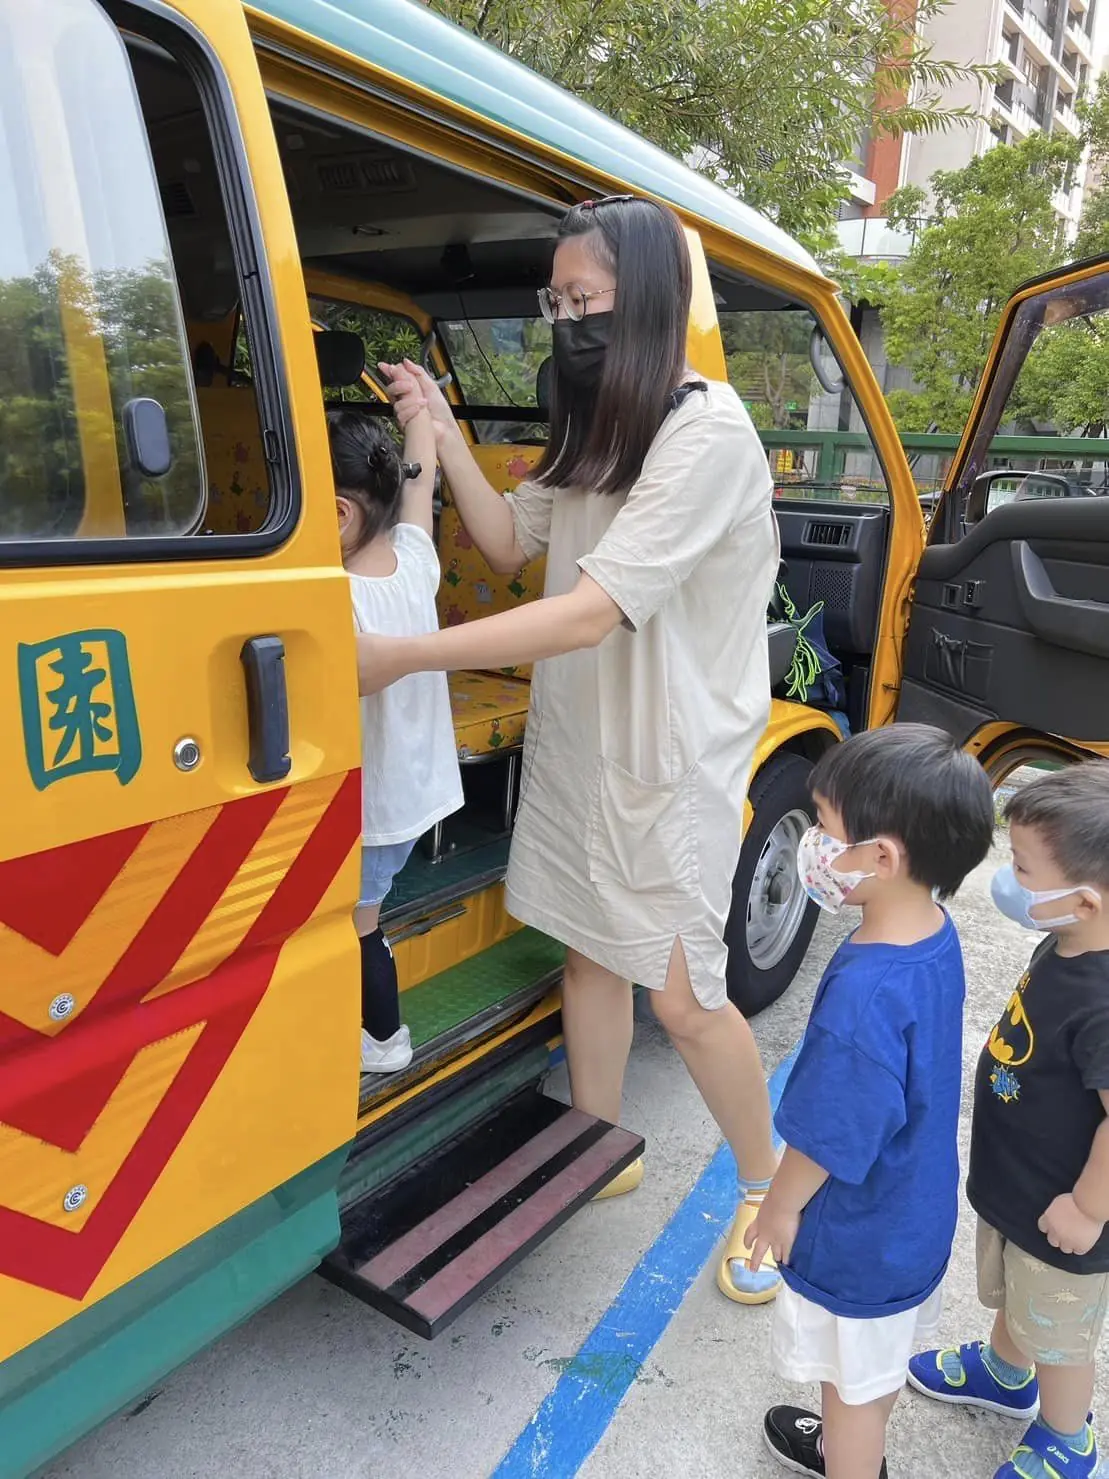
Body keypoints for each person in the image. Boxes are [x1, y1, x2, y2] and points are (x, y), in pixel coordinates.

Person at [361, 195, 782, 1300]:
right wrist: (443, 432)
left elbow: (591, 612)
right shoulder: (596, 431)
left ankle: (767, 1192)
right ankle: (595, 1146)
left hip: (669, 761)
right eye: (555, 301)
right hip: (583, 742)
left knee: (686, 997)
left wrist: (407, 654)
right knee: (588, 956)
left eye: (580, 300)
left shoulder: (702, 431)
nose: (563, 322)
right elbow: (504, 547)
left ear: (639, 301)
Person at [747, 724, 995, 1478]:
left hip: (857, 1235)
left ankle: (848, 1460)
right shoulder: (932, 932)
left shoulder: (862, 996)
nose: (812, 844)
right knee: (873, 1372)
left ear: (881, 857)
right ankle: (855, 1449)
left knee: (848, 1391)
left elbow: (830, 1133)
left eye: (823, 827)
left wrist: (780, 1205)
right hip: (912, 1215)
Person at [909, 762, 1109, 1479]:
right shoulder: (1066, 940)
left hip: (1065, 1208)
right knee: (1016, 1295)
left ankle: (1067, 1439)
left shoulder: (1104, 999)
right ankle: (1003, 1370)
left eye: (1022, 868)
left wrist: (1087, 1208)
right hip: (1022, 1187)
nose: (1008, 879)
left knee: (1058, 1334)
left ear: (1083, 899)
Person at [332, 405, 463, 1074]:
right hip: (415, 791)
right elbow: (419, 485)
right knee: (362, 912)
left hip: (372, 809)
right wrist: (419, 414)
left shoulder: (333, 597)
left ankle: (384, 1041)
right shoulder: (415, 560)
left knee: (358, 924)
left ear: (338, 515)